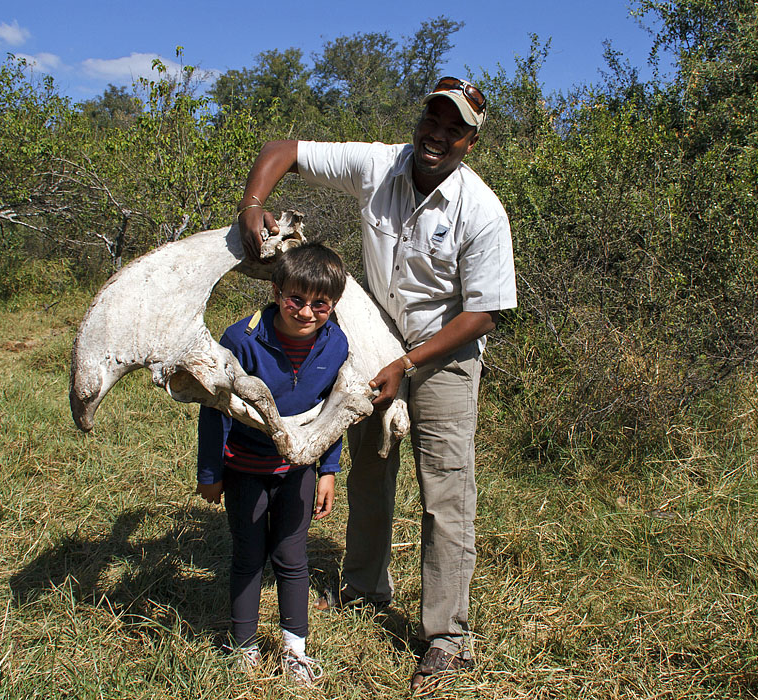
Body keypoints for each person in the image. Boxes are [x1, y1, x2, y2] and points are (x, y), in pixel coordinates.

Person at [235, 77, 517, 691]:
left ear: (471, 140)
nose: (437, 136)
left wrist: (408, 364)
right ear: (420, 121)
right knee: (368, 468)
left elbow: (486, 313)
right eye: (432, 121)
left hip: (446, 353)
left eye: (454, 129)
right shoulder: (379, 164)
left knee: (445, 489)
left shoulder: (481, 211)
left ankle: (446, 636)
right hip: (373, 346)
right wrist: (255, 205)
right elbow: (284, 149)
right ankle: (363, 587)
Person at [195, 242, 348, 686]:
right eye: (295, 299)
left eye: (320, 304)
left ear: (333, 304)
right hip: (244, 468)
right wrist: (211, 473)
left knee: (292, 556)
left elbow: (335, 411)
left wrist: (328, 470)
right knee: (248, 555)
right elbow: (215, 408)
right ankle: (243, 648)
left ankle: (294, 649)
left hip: (298, 470)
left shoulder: (335, 343)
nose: (305, 312)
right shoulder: (240, 339)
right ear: (276, 289)